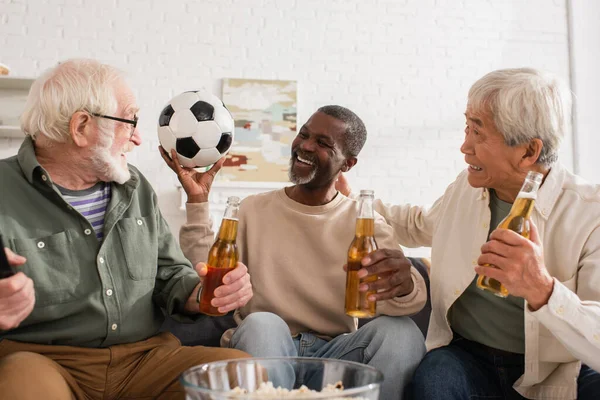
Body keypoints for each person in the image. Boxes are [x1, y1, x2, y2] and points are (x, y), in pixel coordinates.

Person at [337, 68, 600, 399]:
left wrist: (542, 289)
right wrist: (349, 201)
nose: (465, 147)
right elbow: (418, 225)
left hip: (557, 371)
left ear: (529, 152)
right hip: (466, 356)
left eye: (479, 133)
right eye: (467, 127)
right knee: (434, 382)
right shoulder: (467, 187)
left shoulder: (592, 213)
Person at [0, 58, 252, 400]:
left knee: (240, 373)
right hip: (44, 358)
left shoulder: (136, 187)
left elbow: (170, 274)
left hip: (143, 359)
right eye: (130, 121)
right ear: (82, 127)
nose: (137, 138)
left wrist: (204, 293)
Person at [162, 105, 428, 400]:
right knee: (263, 322)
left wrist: (404, 286)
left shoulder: (365, 223)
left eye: (323, 143)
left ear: (348, 164)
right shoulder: (252, 209)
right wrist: (198, 201)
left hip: (337, 355)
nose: (305, 146)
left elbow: (402, 299)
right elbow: (209, 275)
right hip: (266, 346)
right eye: (304, 134)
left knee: (402, 334)